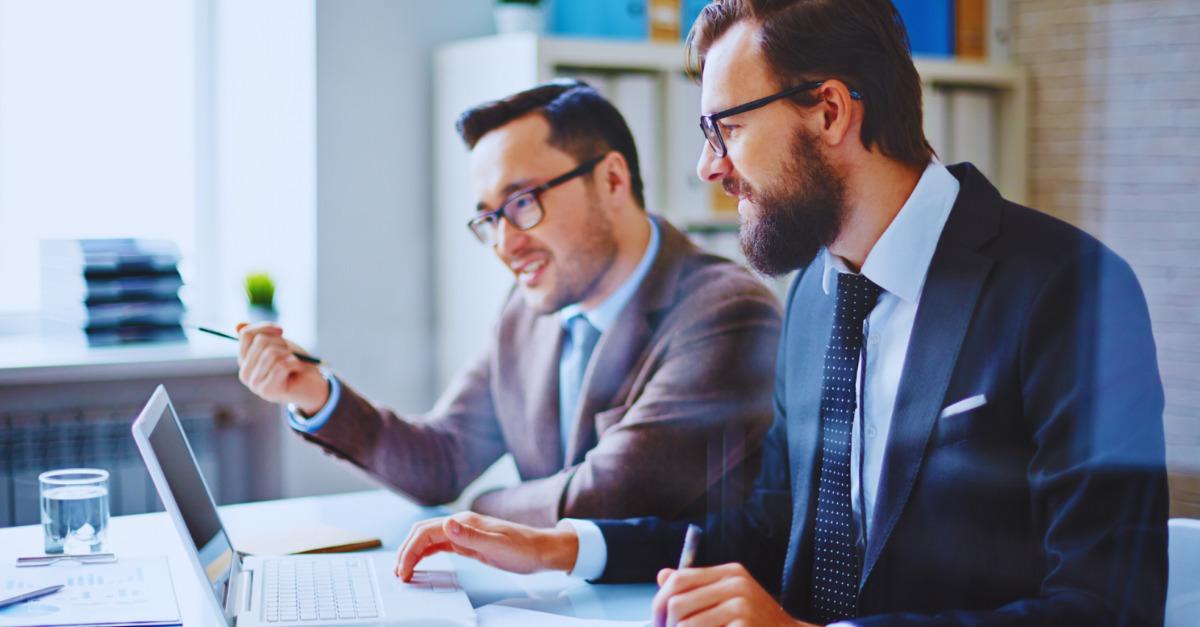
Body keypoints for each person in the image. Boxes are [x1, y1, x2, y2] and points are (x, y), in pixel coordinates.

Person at [393, 1, 1169, 625]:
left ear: (829, 111)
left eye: (725, 127)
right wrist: (567, 547)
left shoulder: (1068, 289)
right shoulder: (817, 292)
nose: (708, 167)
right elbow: (769, 527)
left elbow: (1106, 606)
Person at [236, 80, 782, 528]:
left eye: (522, 203)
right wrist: (314, 394)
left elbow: (605, 498)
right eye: (489, 218)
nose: (505, 244)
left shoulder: (726, 312)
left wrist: (470, 514)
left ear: (613, 180)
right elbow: (443, 458)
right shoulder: (527, 311)